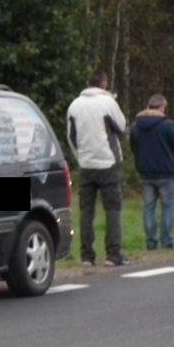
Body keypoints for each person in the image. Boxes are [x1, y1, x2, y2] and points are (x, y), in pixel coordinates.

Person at [66, 71, 130, 266]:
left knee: (86, 211)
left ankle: (86, 255)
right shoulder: (108, 103)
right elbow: (121, 126)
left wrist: (80, 157)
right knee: (112, 208)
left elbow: (71, 136)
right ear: (104, 84)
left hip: (86, 164)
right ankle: (113, 254)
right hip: (108, 162)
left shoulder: (74, 105)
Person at [130, 94, 174, 250]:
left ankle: (151, 242)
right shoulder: (167, 125)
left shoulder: (136, 126)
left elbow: (133, 147)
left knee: (148, 208)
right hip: (166, 172)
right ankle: (167, 240)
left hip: (146, 172)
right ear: (162, 107)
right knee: (168, 207)